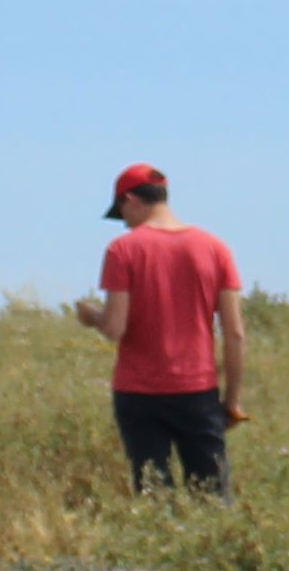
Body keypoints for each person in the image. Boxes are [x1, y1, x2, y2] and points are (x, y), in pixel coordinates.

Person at [74, 162, 244, 493]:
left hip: (139, 394)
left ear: (131, 200)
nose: (124, 223)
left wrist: (91, 316)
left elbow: (114, 328)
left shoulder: (123, 249)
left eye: (121, 212)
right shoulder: (216, 248)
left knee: (153, 493)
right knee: (211, 495)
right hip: (197, 391)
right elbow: (235, 333)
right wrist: (233, 399)